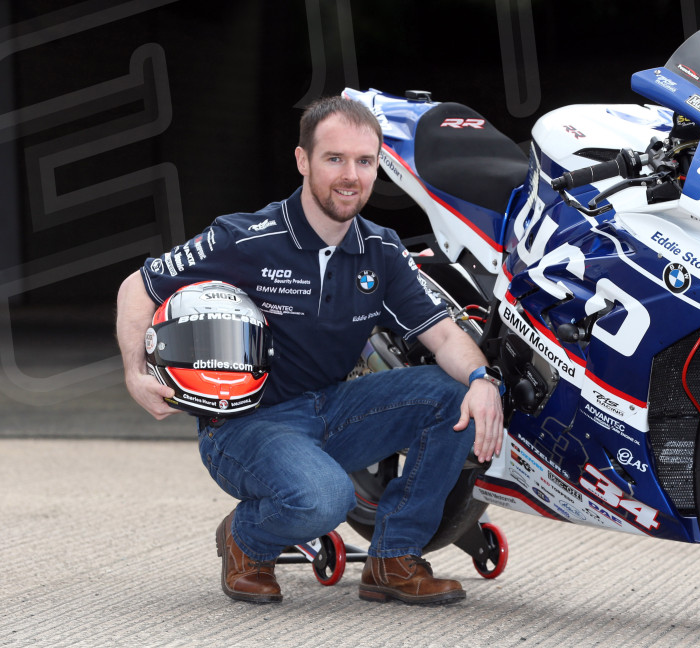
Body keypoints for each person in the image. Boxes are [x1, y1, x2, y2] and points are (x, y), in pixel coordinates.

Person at [115, 96, 503, 606]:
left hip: (333, 408)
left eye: (365, 162)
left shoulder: (381, 249)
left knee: (457, 397)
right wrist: (134, 373)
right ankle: (246, 540)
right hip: (244, 425)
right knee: (326, 500)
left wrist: (482, 382)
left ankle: (394, 557)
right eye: (334, 159)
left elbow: (446, 335)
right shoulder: (244, 238)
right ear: (303, 161)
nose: (351, 176)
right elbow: (137, 288)